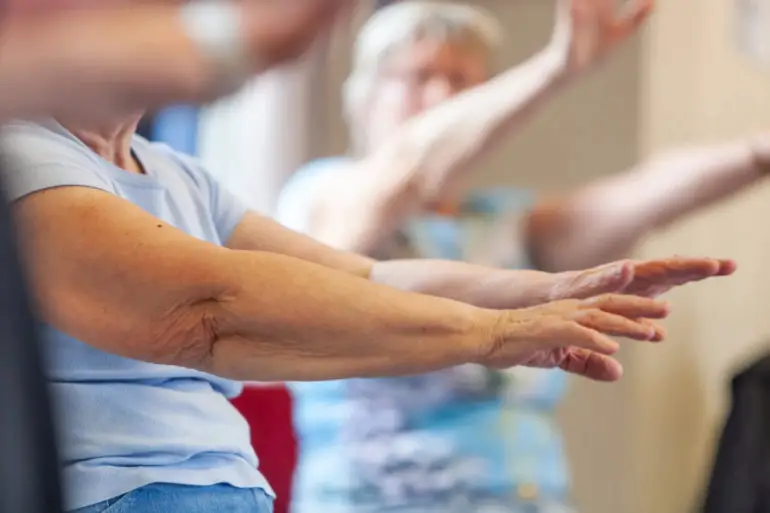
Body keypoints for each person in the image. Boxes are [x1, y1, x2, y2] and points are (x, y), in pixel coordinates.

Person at [0, 91, 733, 513]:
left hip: (227, 488)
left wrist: (547, 290)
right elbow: (212, 311)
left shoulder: (179, 174)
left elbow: (362, 278)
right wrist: (493, 329)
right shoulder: (23, 153)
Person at [274, 1, 766, 512]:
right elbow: (410, 167)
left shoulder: (504, 225)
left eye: (462, 83)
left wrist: (759, 150)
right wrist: (556, 68)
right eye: (418, 76)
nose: (442, 97)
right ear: (362, 99)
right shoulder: (322, 196)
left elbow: (643, 195)